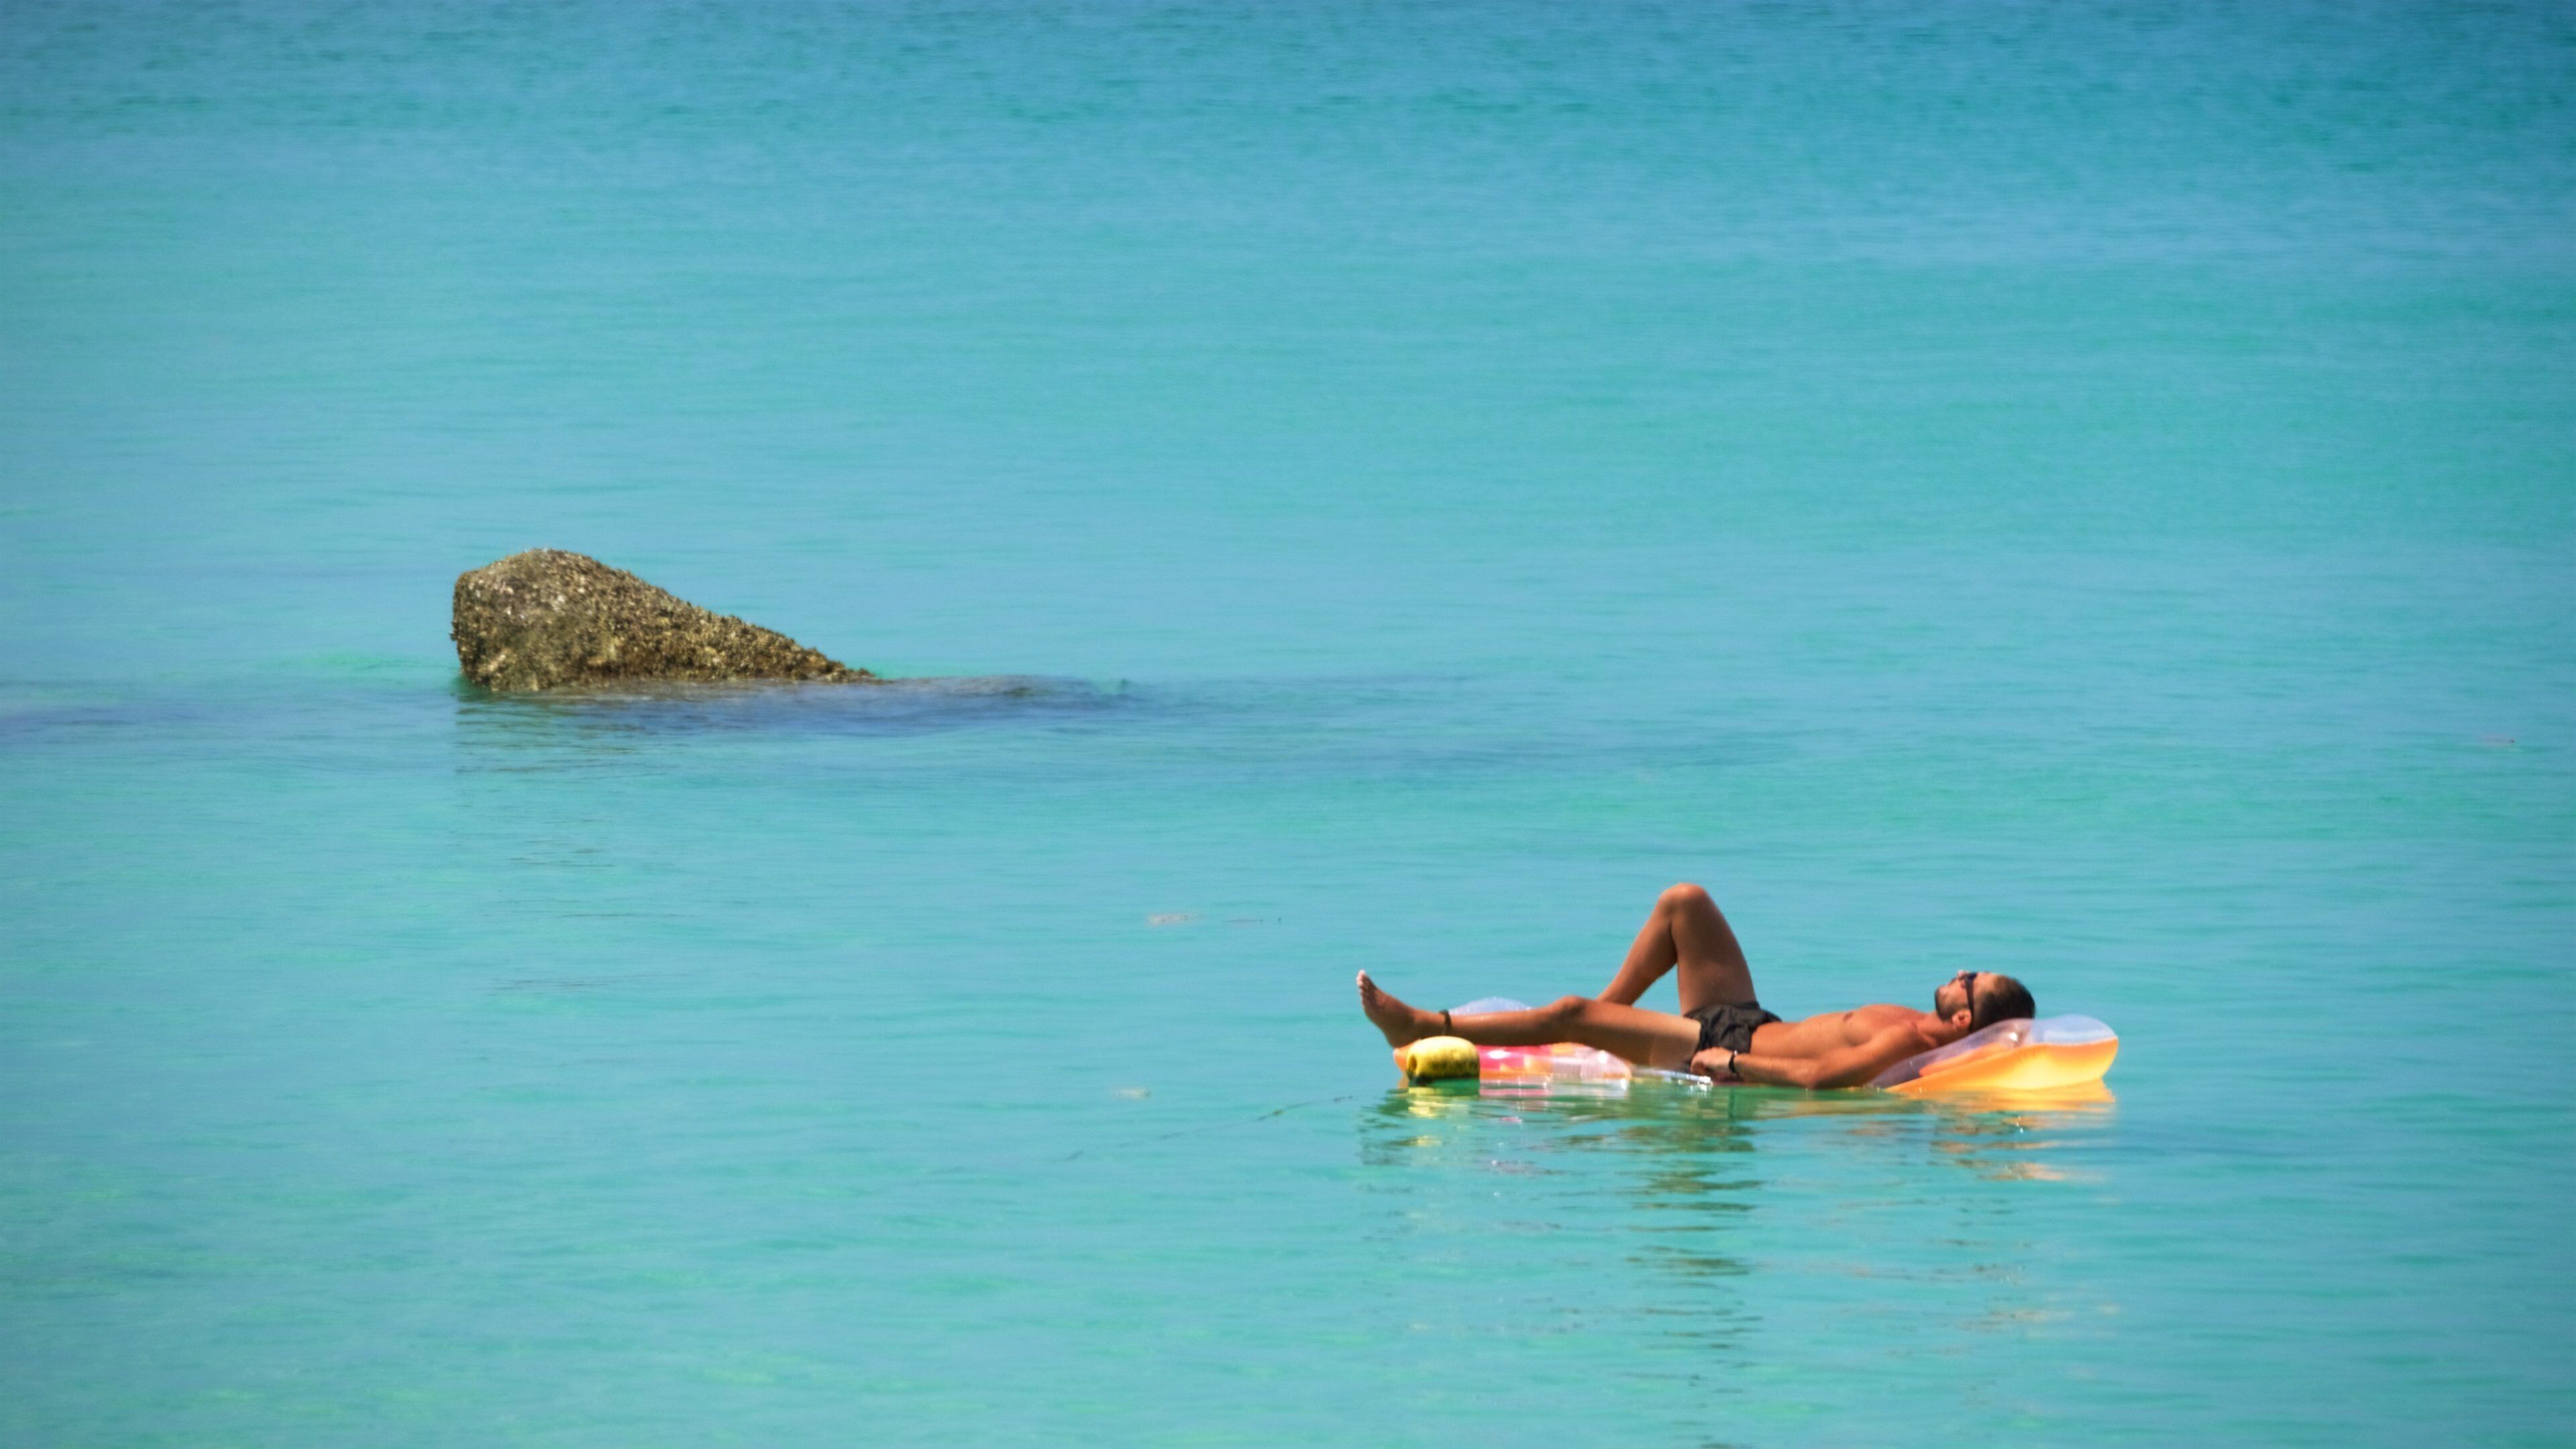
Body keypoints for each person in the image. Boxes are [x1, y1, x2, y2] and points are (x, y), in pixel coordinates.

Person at [1356, 883, 2036, 1089]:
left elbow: (1825, 1076)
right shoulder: (1917, 1019)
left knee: (1567, 1010)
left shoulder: (1908, 1036)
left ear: (1962, 1023)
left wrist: (1734, 1063)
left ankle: (1420, 1024)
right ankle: (1603, 1023)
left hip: (1723, 1045)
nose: (1960, 973)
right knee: (1686, 903)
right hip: (1748, 1016)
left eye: (1971, 981)